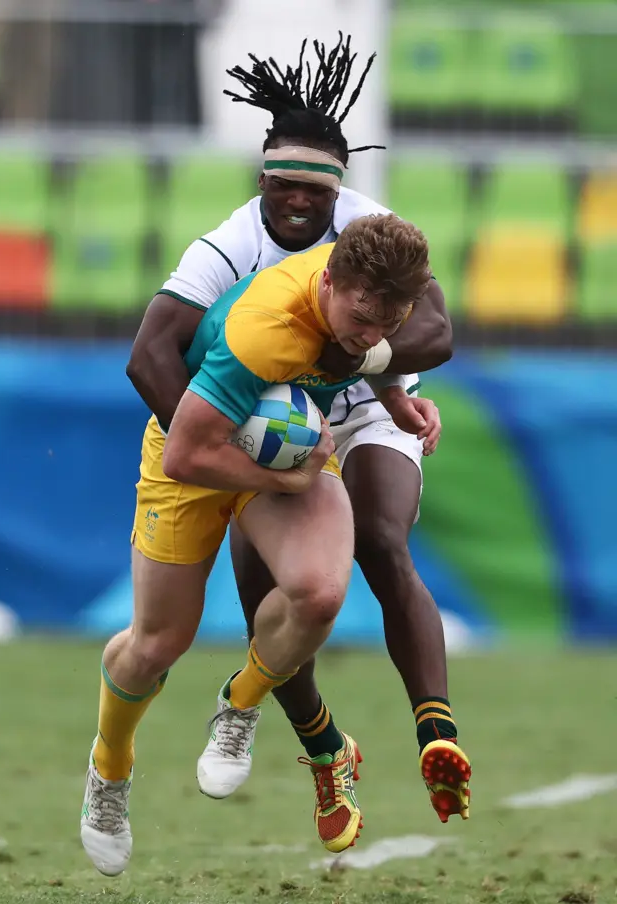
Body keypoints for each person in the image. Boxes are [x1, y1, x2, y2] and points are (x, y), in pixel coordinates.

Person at [127, 34, 469, 838]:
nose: (298, 205)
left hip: (364, 406)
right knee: (270, 601)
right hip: (270, 418)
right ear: (263, 182)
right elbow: (149, 354)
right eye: (283, 187)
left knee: (382, 540)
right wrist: (229, 447)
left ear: (336, 193)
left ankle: (437, 733)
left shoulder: (371, 230)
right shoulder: (228, 247)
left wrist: (370, 365)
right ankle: (325, 751)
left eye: (314, 193)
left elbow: (441, 331)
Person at [80, 214, 432, 875]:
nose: (371, 333)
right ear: (328, 282)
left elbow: (380, 346)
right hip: (192, 452)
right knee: (156, 645)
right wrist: (282, 476)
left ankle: (238, 704)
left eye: (388, 321)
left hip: (285, 445)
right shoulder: (264, 330)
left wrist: (395, 395)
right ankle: (109, 769)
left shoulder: (370, 305)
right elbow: (188, 454)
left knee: (321, 595)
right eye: (361, 317)